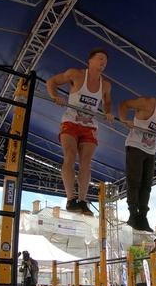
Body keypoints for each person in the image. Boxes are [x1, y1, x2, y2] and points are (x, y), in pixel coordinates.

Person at [46, 48, 114, 216]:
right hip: (70, 122)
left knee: (86, 162)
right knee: (69, 155)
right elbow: (51, 82)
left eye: (105, 60)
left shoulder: (105, 85)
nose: (103, 62)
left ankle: (83, 201)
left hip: (89, 126)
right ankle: (71, 199)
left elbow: (107, 101)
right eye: (100, 58)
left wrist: (107, 112)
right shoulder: (75, 74)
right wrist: (55, 96)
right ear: (89, 61)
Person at [118, 85, 156, 232]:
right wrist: (124, 120)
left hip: (150, 150)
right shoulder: (147, 102)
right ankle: (133, 214)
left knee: (147, 185)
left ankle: (143, 216)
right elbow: (124, 104)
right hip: (135, 145)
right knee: (135, 181)